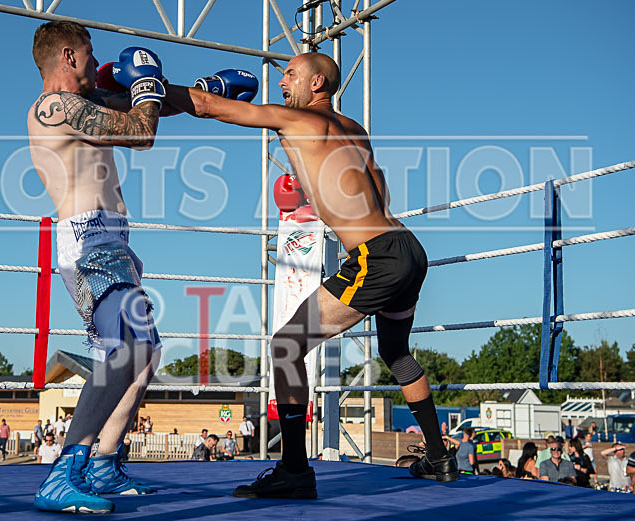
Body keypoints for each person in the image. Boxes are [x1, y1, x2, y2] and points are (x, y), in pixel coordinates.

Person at [167, 51, 458, 499]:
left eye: (290, 74)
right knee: (396, 353)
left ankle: (294, 471)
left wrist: (151, 89)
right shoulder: (355, 130)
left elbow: (207, 106)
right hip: (408, 248)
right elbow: (369, 189)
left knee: (286, 346)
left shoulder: (298, 121)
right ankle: (438, 457)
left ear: (317, 83)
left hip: (376, 257)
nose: (282, 81)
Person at [28, 21, 168, 513]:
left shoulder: (84, 105)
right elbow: (141, 129)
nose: (95, 60)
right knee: (129, 346)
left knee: (144, 356)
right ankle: (61, 475)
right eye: (90, 52)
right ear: (69, 55)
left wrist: (203, 90)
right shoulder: (54, 107)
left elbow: (144, 105)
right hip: (90, 241)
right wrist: (146, 83)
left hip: (111, 239)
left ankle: (104, 463)